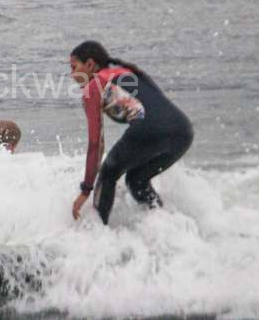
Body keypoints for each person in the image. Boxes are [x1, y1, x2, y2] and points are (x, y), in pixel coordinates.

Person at [69, 41, 193, 225]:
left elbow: (96, 143)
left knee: (108, 172)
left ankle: (97, 235)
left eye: (74, 67)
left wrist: (86, 189)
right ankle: (170, 226)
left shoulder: (94, 86)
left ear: (89, 64)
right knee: (137, 180)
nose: (72, 75)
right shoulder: (128, 72)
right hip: (182, 131)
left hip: (149, 129)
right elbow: (158, 107)